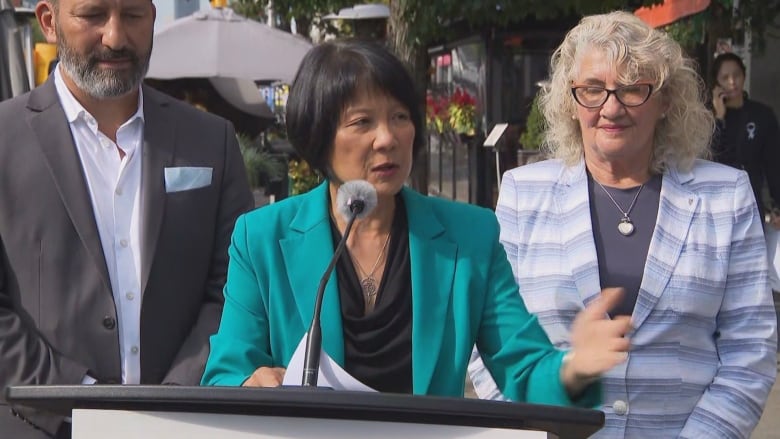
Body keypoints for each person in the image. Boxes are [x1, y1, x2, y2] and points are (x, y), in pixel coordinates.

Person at [201, 38, 631, 406]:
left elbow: (522, 368)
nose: (387, 138)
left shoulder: (470, 237)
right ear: (317, 138)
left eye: (400, 117)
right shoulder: (261, 239)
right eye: (361, 122)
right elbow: (225, 375)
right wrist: (250, 383)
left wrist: (575, 367)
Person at [468, 11, 777, 438]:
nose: (611, 107)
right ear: (570, 102)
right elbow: (490, 350)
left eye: (633, 89)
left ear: (665, 100)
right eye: (592, 90)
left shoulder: (725, 196)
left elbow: (751, 349)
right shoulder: (523, 194)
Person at [0, 1, 253, 438]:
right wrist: (83, 400)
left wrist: (175, 398)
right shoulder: (4, 141)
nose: (116, 38)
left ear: (154, 17)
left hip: (185, 427)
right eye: (93, 15)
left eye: (133, 15)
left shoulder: (213, 141)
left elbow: (235, 290)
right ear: (49, 22)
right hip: (37, 424)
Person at [710, 51, 780, 223]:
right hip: (717, 205)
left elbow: (773, 163)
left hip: (752, 202)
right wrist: (719, 118)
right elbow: (710, 157)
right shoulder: (708, 118)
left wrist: (777, 204)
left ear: (744, 75)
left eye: (736, 75)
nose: (732, 82)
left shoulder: (762, 115)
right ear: (716, 83)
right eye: (725, 77)